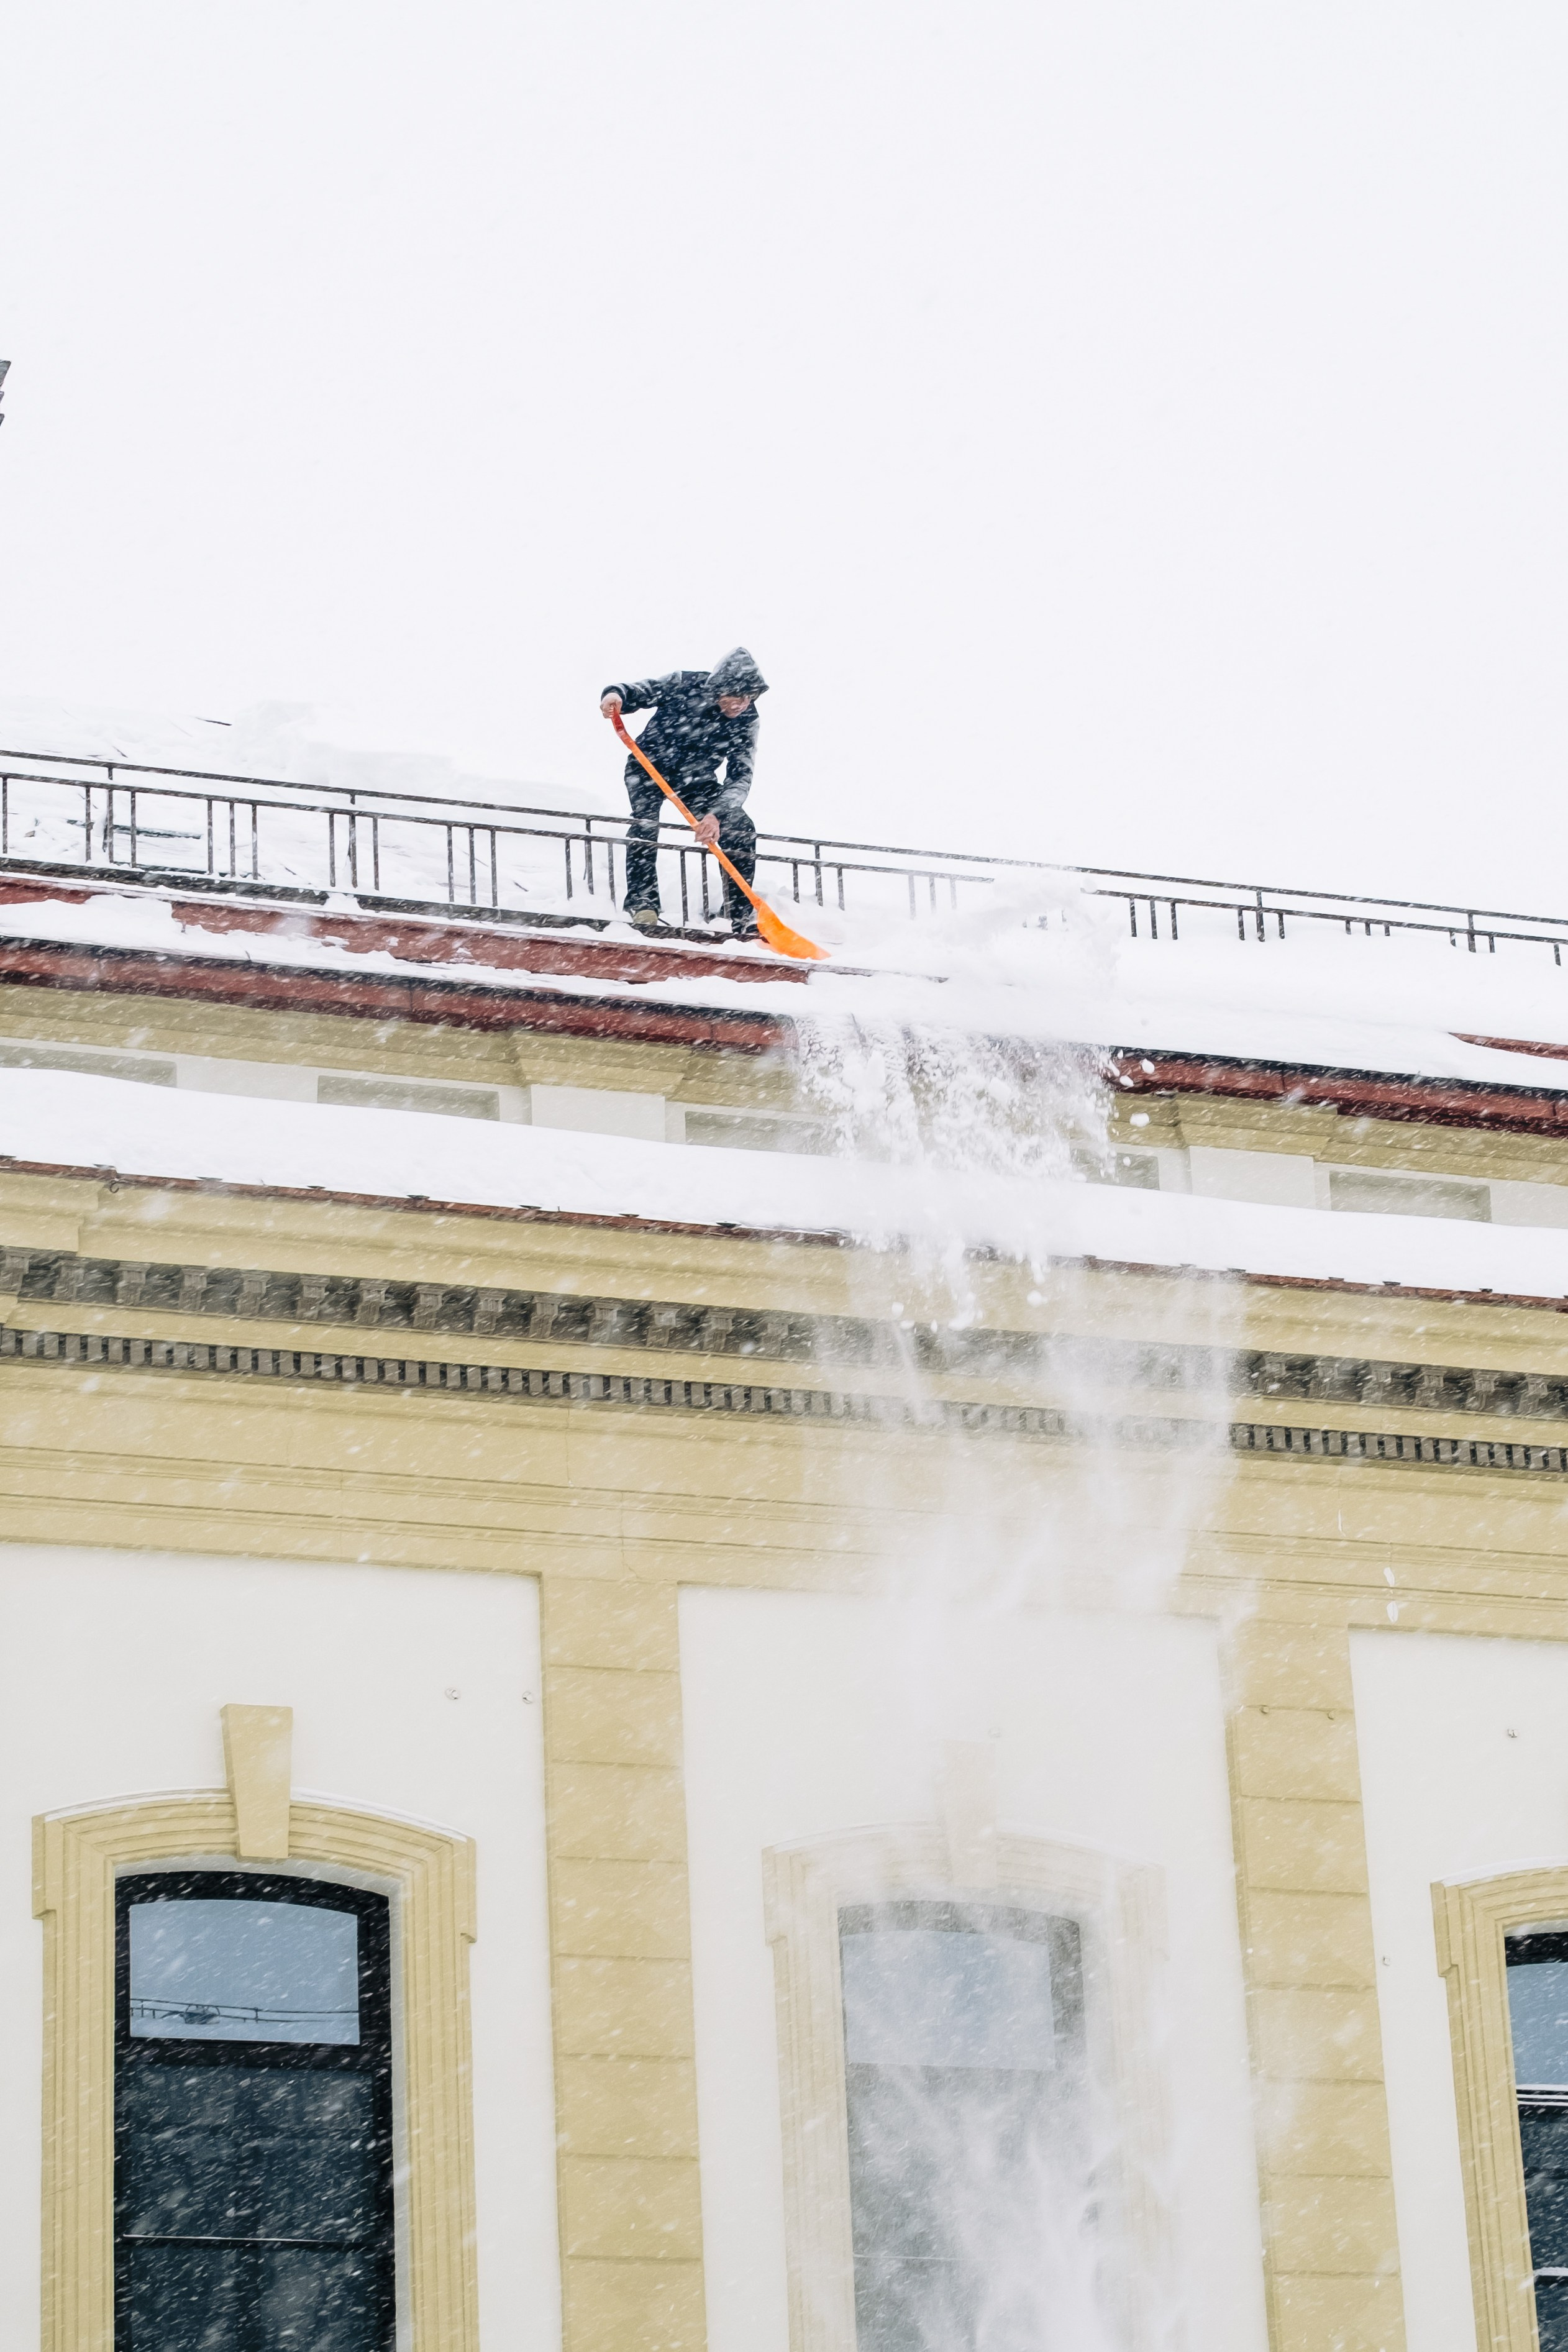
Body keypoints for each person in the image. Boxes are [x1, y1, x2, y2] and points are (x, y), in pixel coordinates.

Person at [599, 648, 768, 936]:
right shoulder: (684, 684)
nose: (742, 704)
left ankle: (739, 914)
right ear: (719, 687)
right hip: (648, 766)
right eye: (737, 696)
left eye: (749, 698)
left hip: (697, 780)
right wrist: (615, 696)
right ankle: (643, 903)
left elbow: (741, 774)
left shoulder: (747, 719)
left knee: (740, 827)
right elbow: (639, 692)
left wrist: (717, 814)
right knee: (646, 824)